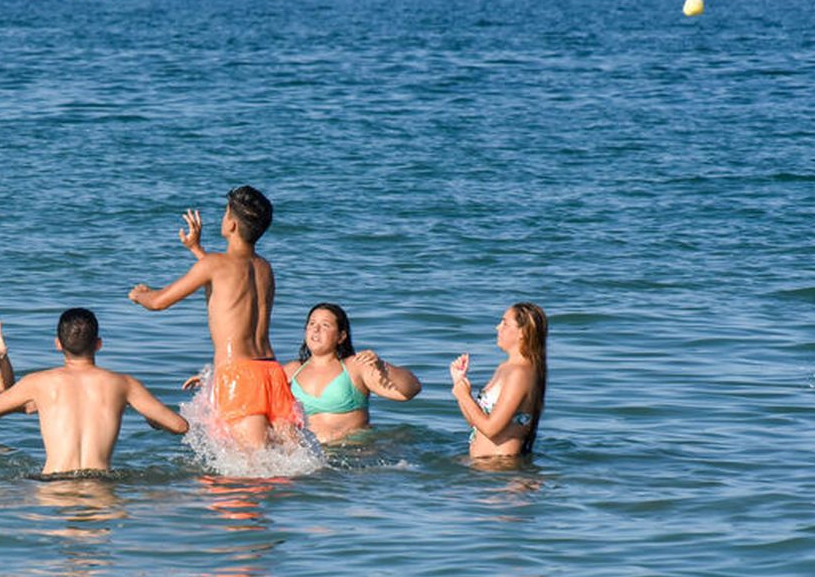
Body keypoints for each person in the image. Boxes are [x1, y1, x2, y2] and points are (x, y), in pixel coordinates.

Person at [128, 186, 297, 450]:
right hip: (270, 372)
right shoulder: (264, 268)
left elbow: (159, 302)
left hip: (237, 374)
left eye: (224, 212)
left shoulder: (214, 265)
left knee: (248, 470)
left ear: (230, 223)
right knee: (285, 460)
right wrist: (197, 249)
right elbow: (230, 284)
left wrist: (140, 295)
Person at [0, 308, 188, 477]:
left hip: (53, 484)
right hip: (101, 484)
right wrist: (152, 420)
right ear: (98, 344)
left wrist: (36, 404)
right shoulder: (124, 384)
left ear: (58, 344)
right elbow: (179, 426)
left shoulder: (38, 382)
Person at [286, 303, 421, 443]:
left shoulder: (355, 366)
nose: (316, 329)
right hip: (309, 457)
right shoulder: (292, 371)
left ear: (341, 336)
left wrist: (383, 366)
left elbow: (411, 390)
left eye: (325, 325)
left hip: (353, 453)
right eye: (312, 323)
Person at [450, 302, 548, 458]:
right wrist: (459, 383)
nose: (498, 327)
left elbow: (491, 429)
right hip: (487, 469)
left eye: (505, 323)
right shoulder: (505, 367)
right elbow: (477, 424)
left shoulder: (520, 373)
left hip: (502, 471)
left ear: (522, 332)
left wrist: (464, 396)